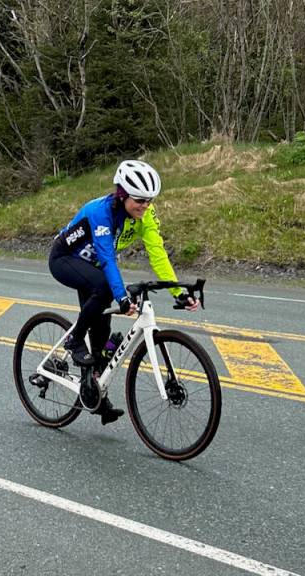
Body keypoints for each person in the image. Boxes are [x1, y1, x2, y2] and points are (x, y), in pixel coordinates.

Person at [48, 159, 199, 425]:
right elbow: (107, 259)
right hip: (65, 259)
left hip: (93, 267)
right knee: (105, 288)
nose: (145, 206)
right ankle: (73, 341)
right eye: (139, 200)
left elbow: (158, 254)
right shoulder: (101, 212)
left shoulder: (145, 216)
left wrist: (178, 291)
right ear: (122, 194)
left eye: (149, 200)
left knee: (102, 335)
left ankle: (95, 394)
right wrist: (122, 296)